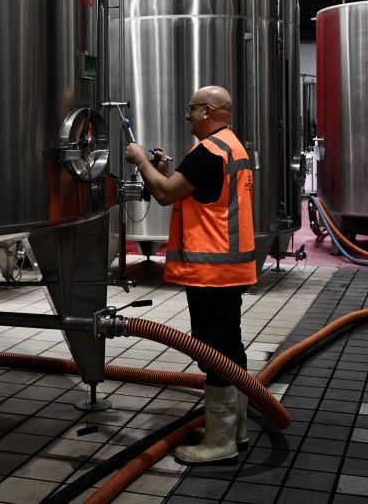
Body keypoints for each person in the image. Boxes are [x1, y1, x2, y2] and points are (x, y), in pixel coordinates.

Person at [123, 85, 255, 465]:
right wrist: (164, 171)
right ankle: (235, 429)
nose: (187, 115)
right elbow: (191, 192)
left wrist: (140, 160)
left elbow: (166, 195)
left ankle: (220, 443)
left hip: (210, 271)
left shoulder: (208, 152)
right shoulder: (232, 147)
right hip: (229, 269)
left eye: (191, 108)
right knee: (229, 346)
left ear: (208, 111)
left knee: (213, 352)